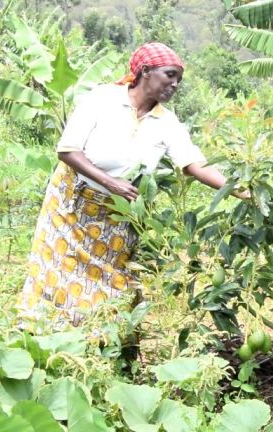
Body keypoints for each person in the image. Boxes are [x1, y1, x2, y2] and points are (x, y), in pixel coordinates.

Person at [17, 42, 245, 333]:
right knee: (59, 273)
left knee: (117, 284)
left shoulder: (167, 122)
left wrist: (241, 191)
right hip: (71, 208)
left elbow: (194, 165)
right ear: (145, 71)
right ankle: (47, 337)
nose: (175, 84)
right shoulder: (103, 99)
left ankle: (110, 345)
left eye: (179, 80)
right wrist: (111, 183)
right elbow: (67, 150)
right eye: (170, 75)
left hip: (119, 217)